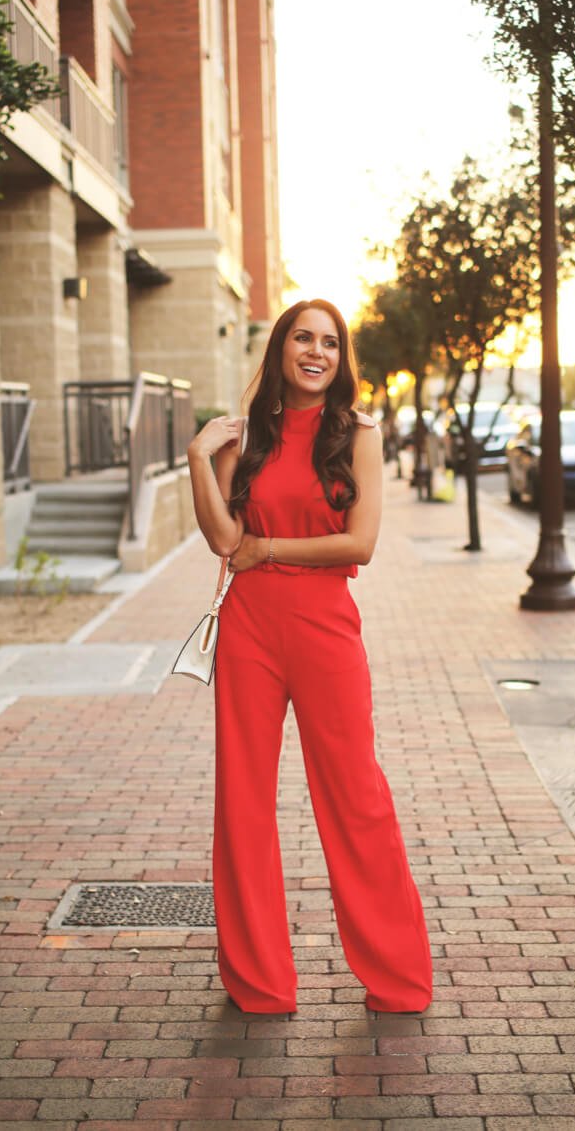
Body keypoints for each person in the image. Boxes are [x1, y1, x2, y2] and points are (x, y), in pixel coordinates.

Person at [187, 298, 432, 1015]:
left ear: (339, 357)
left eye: (329, 341)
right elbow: (222, 539)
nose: (316, 351)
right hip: (250, 627)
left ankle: (396, 975)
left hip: (325, 627)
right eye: (303, 337)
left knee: (355, 794)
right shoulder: (244, 436)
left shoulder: (357, 433)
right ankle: (259, 980)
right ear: (281, 348)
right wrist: (198, 457)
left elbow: (359, 543)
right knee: (242, 799)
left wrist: (271, 549)